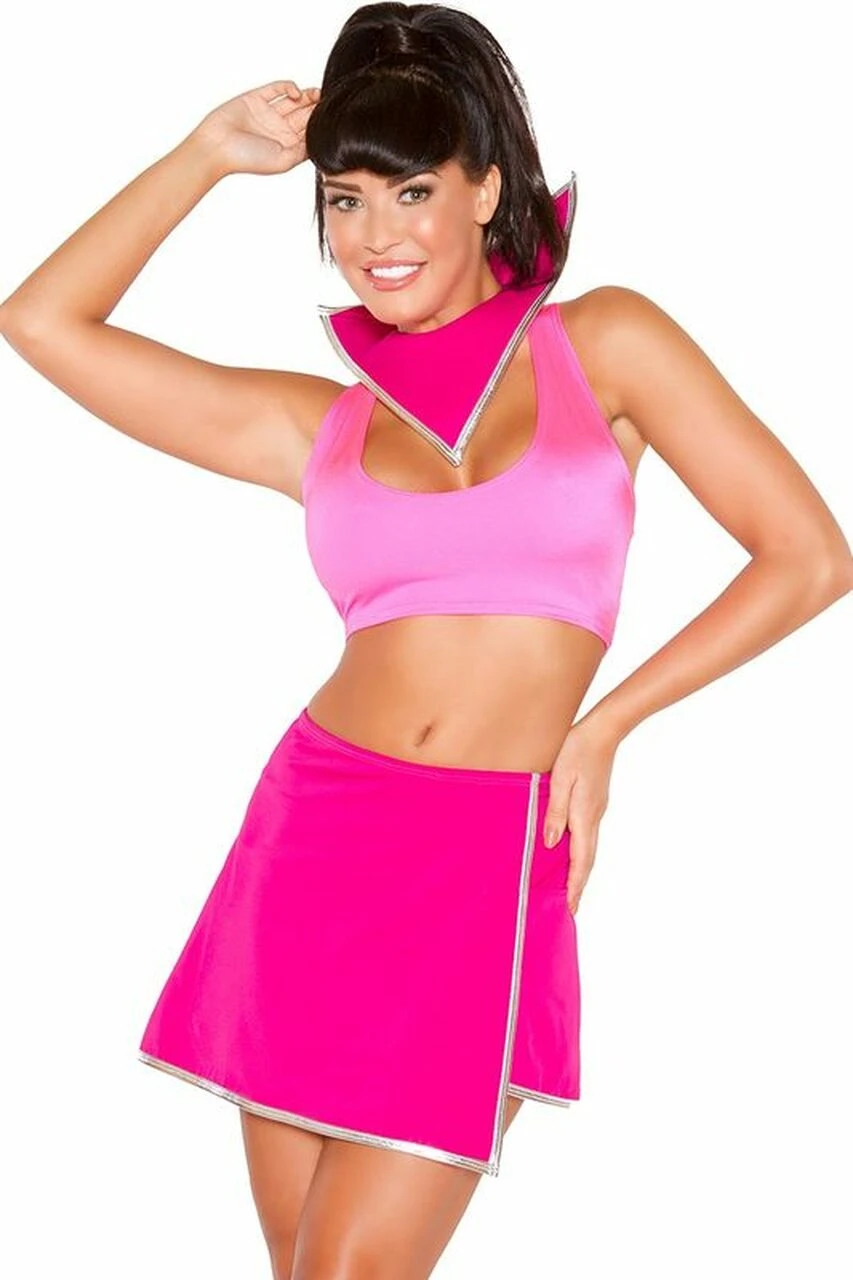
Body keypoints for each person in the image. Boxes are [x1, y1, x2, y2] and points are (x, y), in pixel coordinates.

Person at [1, 3, 850, 1277]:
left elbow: (808, 556)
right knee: (304, 1264)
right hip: (312, 834)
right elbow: (41, 322)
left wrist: (605, 726)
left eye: (410, 192)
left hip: (485, 850)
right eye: (343, 201)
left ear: (486, 188)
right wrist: (205, 152)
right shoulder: (319, 425)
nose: (374, 236)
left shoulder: (604, 343)